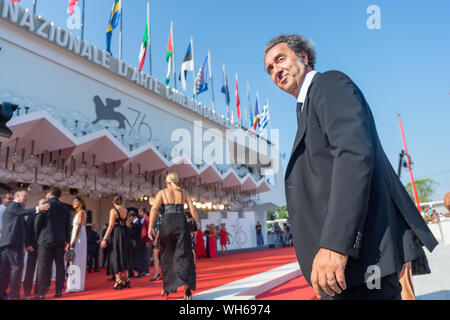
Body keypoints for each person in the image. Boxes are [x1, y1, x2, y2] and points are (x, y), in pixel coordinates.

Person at [264, 34, 438, 300]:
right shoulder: (306, 106)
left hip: (360, 260)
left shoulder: (329, 85)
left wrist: (336, 244)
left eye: (280, 59)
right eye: (270, 68)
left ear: (303, 57)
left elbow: (353, 155)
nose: (276, 70)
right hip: (344, 272)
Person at [148, 172, 200, 300]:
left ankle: (167, 289)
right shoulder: (184, 193)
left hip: (167, 224)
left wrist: (150, 227)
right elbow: (192, 209)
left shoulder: (162, 193)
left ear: (166, 182)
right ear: (178, 182)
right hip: (181, 223)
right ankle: (187, 291)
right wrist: (197, 223)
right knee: (184, 256)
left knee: (167, 256)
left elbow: (154, 209)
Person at [0, 191, 49, 300]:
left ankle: (2, 293)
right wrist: (38, 208)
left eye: (27, 196)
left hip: (7, 243)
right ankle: (14, 295)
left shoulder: (15, 208)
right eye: (24, 196)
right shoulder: (14, 205)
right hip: (13, 242)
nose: (26, 197)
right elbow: (23, 212)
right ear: (17, 197)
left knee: (5, 270)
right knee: (16, 268)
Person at [34, 187, 71, 300]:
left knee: (43, 267)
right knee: (60, 265)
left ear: (50, 193)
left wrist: (37, 237)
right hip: (60, 240)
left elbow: (37, 223)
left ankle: (41, 293)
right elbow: (68, 226)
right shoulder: (65, 208)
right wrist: (67, 240)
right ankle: (59, 291)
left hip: (45, 240)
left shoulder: (46, 205)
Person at [100, 195, 132, 290]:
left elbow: (110, 226)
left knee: (115, 255)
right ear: (121, 202)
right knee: (124, 255)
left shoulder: (113, 210)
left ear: (113, 202)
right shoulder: (126, 210)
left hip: (116, 234)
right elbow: (127, 224)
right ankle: (126, 279)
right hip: (124, 234)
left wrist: (104, 239)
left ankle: (118, 280)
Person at [23, 198, 47, 297]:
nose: (44, 205)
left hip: (44, 247)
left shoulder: (48, 215)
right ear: (38, 205)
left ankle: (38, 290)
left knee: (41, 270)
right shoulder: (32, 215)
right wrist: (27, 244)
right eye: (42, 203)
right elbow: (27, 231)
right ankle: (27, 290)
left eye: (45, 203)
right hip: (32, 246)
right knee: (30, 269)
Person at [66, 196, 87, 293]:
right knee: (74, 260)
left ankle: (75, 285)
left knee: (76, 259)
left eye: (75, 201)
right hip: (76, 236)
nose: (73, 203)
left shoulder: (81, 212)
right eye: (73, 201)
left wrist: (74, 239)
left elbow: (79, 226)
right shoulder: (77, 213)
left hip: (78, 238)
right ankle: (74, 284)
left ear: (80, 203)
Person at [149, 209, 163, 282]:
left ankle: (157, 273)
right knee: (162, 256)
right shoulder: (164, 217)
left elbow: (159, 230)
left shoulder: (161, 218)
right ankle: (162, 273)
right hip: (163, 238)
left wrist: (156, 239)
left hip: (159, 239)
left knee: (155, 256)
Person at [127, 210, 142, 278]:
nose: (129, 219)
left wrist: (130, 227)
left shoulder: (137, 223)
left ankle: (139, 271)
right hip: (136, 242)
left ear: (132, 216)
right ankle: (135, 271)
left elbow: (134, 233)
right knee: (134, 257)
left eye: (129, 217)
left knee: (136, 257)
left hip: (136, 242)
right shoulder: (135, 222)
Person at [138, 207, 151, 277]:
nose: (139, 213)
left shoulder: (147, 219)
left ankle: (147, 270)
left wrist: (148, 241)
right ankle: (142, 270)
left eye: (139, 212)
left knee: (145, 255)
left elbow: (149, 229)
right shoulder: (141, 220)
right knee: (142, 255)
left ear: (142, 212)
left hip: (146, 239)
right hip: (141, 239)